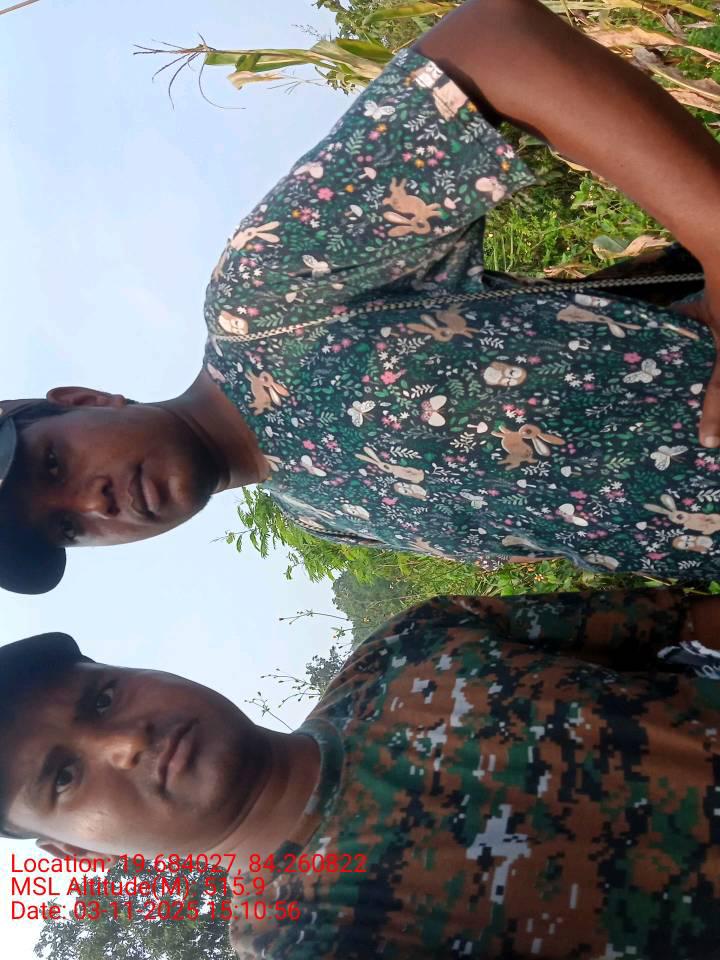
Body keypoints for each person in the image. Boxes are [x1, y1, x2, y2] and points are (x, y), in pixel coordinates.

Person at [2, 0, 720, 594]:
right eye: (66, 529)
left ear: (85, 401)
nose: (92, 503)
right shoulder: (317, 514)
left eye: (54, 465)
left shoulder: (260, 304)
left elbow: (496, 42)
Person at [2, 587, 720, 958]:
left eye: (104, 697)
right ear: (80, 853)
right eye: (62, 778)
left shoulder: (410, 644)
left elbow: (684, 624)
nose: (125, 742)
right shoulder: (310, 944)